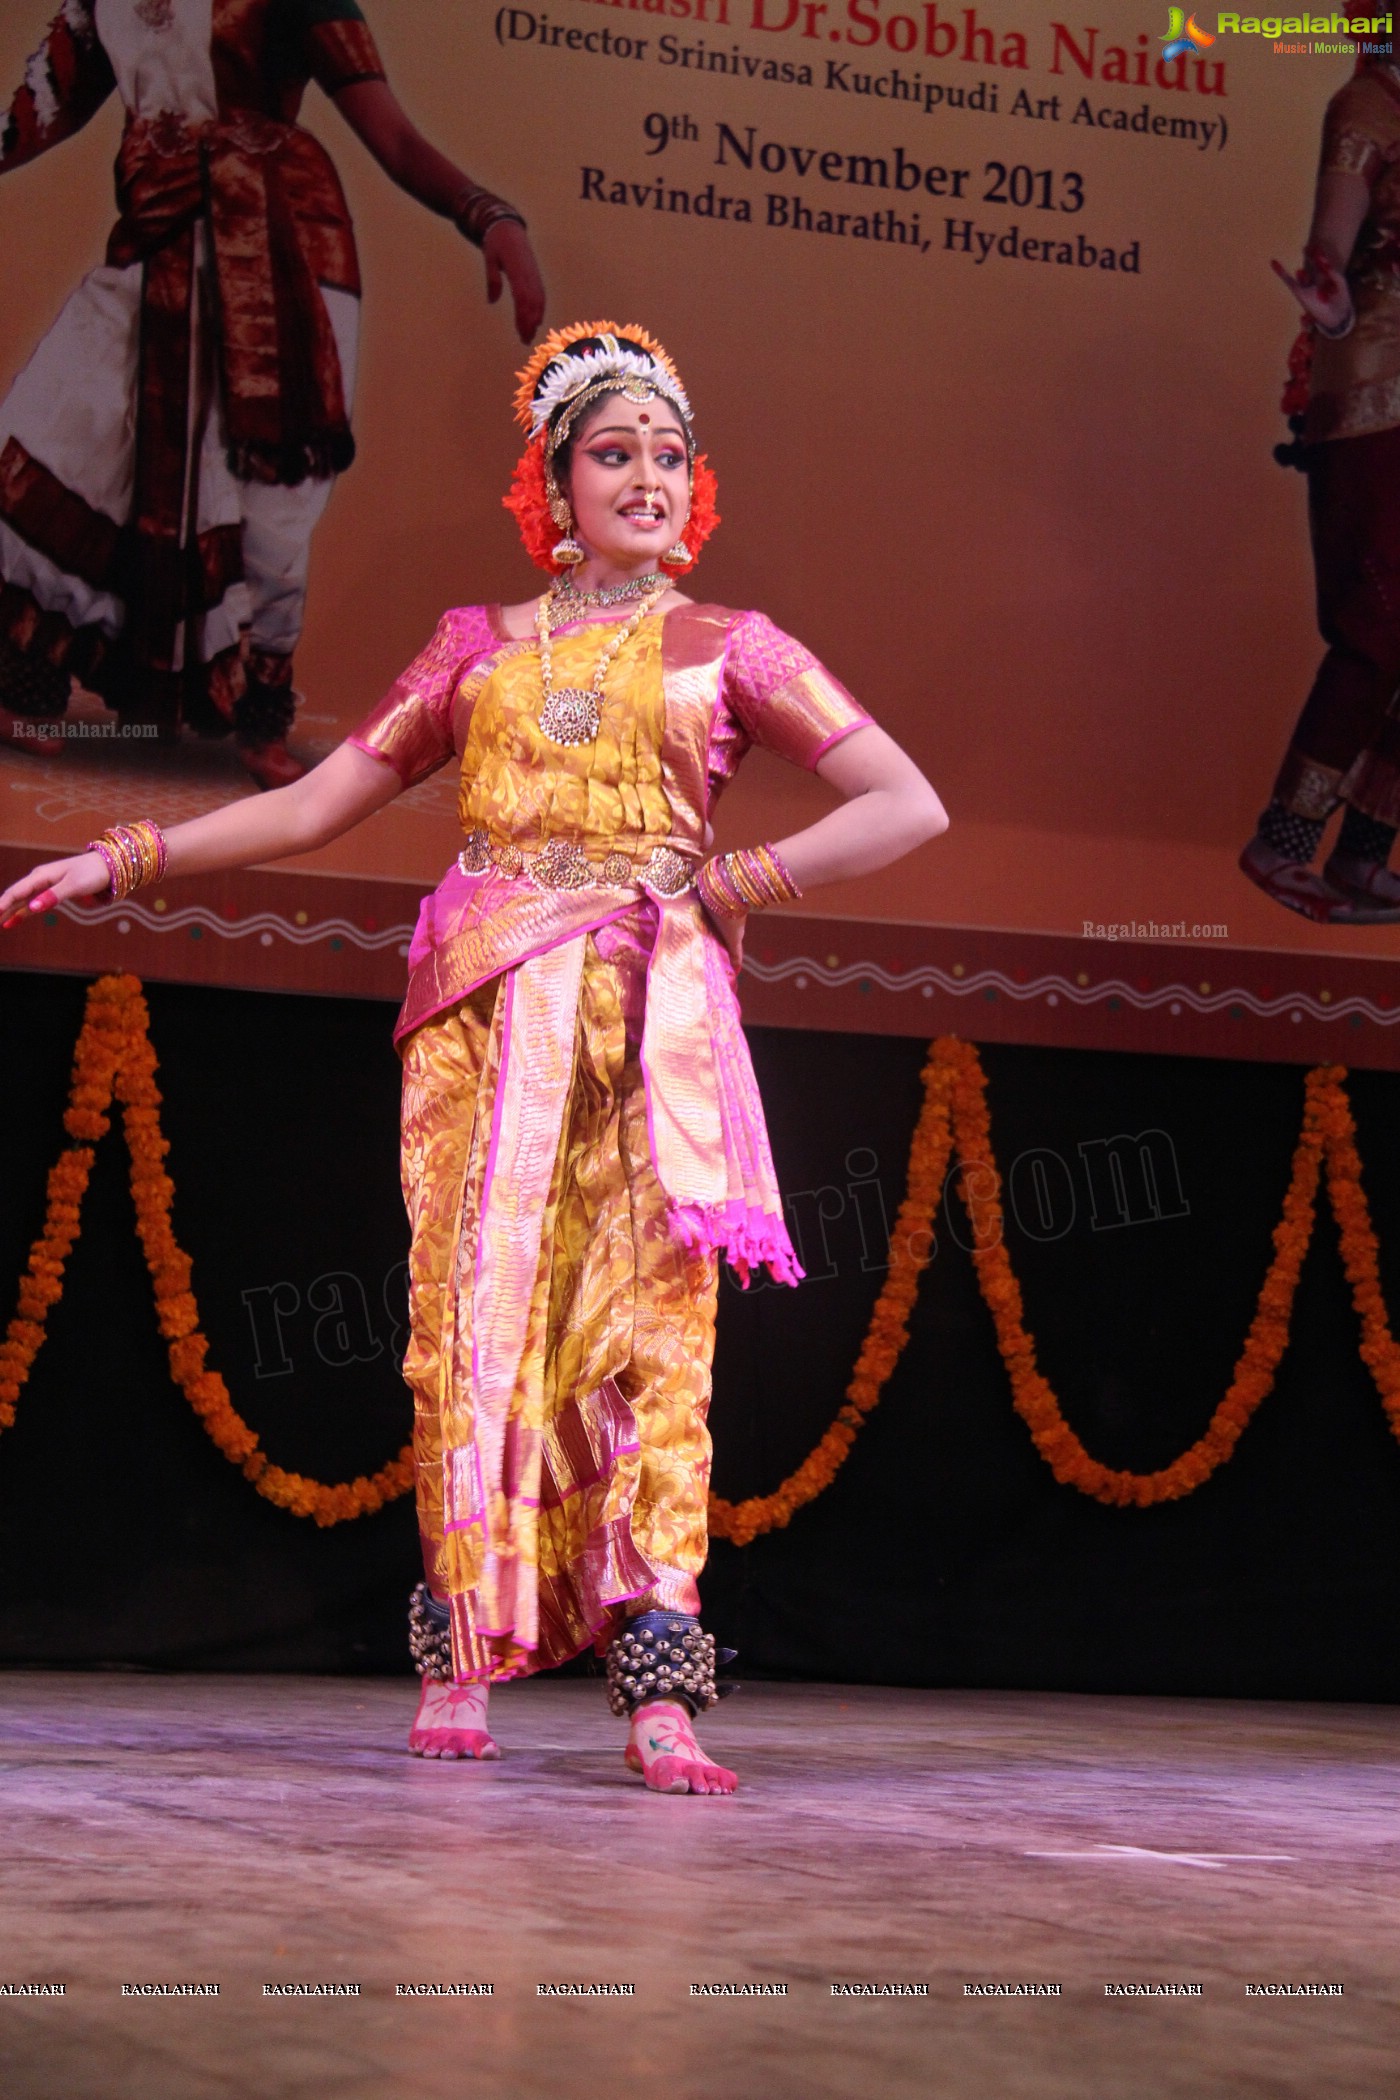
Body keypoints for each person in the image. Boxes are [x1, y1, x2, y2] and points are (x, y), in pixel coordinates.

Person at [0, 322, 947, 1795]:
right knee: (476, 1315)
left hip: (652, 1023)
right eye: (612, 453)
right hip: (485, 1010)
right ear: (554, 484)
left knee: (650, 1333)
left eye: (668, 455)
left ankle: (659, 1688)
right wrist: (129, 854)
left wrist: (728, 887)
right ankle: (460, 1656)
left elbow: (905, 803)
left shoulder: (732, 648)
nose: (647, 478)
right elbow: (318, 804)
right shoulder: (474, 650)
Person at [0, 0, 544, 789]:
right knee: (64, 428)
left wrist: (490, 217)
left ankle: (259, 723)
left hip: (281, 250)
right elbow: (36, 112)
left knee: (270, 499)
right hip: (157, 231)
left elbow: (389, 134)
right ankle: (24, 684)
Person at [1243, 29, 1400, 922]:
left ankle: (1366, 851)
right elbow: (1330, 251)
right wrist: (1333, 309)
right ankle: (1285, 842)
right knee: (1379, 626)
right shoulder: (1369, 104)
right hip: (1377, 391)